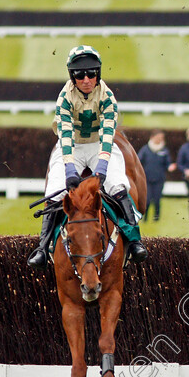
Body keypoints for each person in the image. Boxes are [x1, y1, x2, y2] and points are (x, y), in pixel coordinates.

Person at [27, 45, 147, 268]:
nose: (86, 79)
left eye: (91, 73)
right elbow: (64, 136)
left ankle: (134, 240)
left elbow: (109, 134)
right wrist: (70, 169)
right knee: (55, 190)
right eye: (80, 75)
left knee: (118, 186)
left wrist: (102, 166)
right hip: (70, 147)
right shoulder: (64, 98)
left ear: (98, 74)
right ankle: (42, 247)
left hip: (100, 145)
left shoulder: (107, 96)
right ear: (72, 76)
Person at [137, 130, 171, 221]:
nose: (160, 139)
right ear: (152, 137)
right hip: (147, 179)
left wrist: (170, 167)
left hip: (159, 179)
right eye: (158, 137)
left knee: (157, 199)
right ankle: (145, 217)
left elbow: (167, 163)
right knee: (147, 200)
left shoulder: (164, 150)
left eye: (161, 138)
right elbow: (139, 162)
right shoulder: (145, 149)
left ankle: (156, 217)